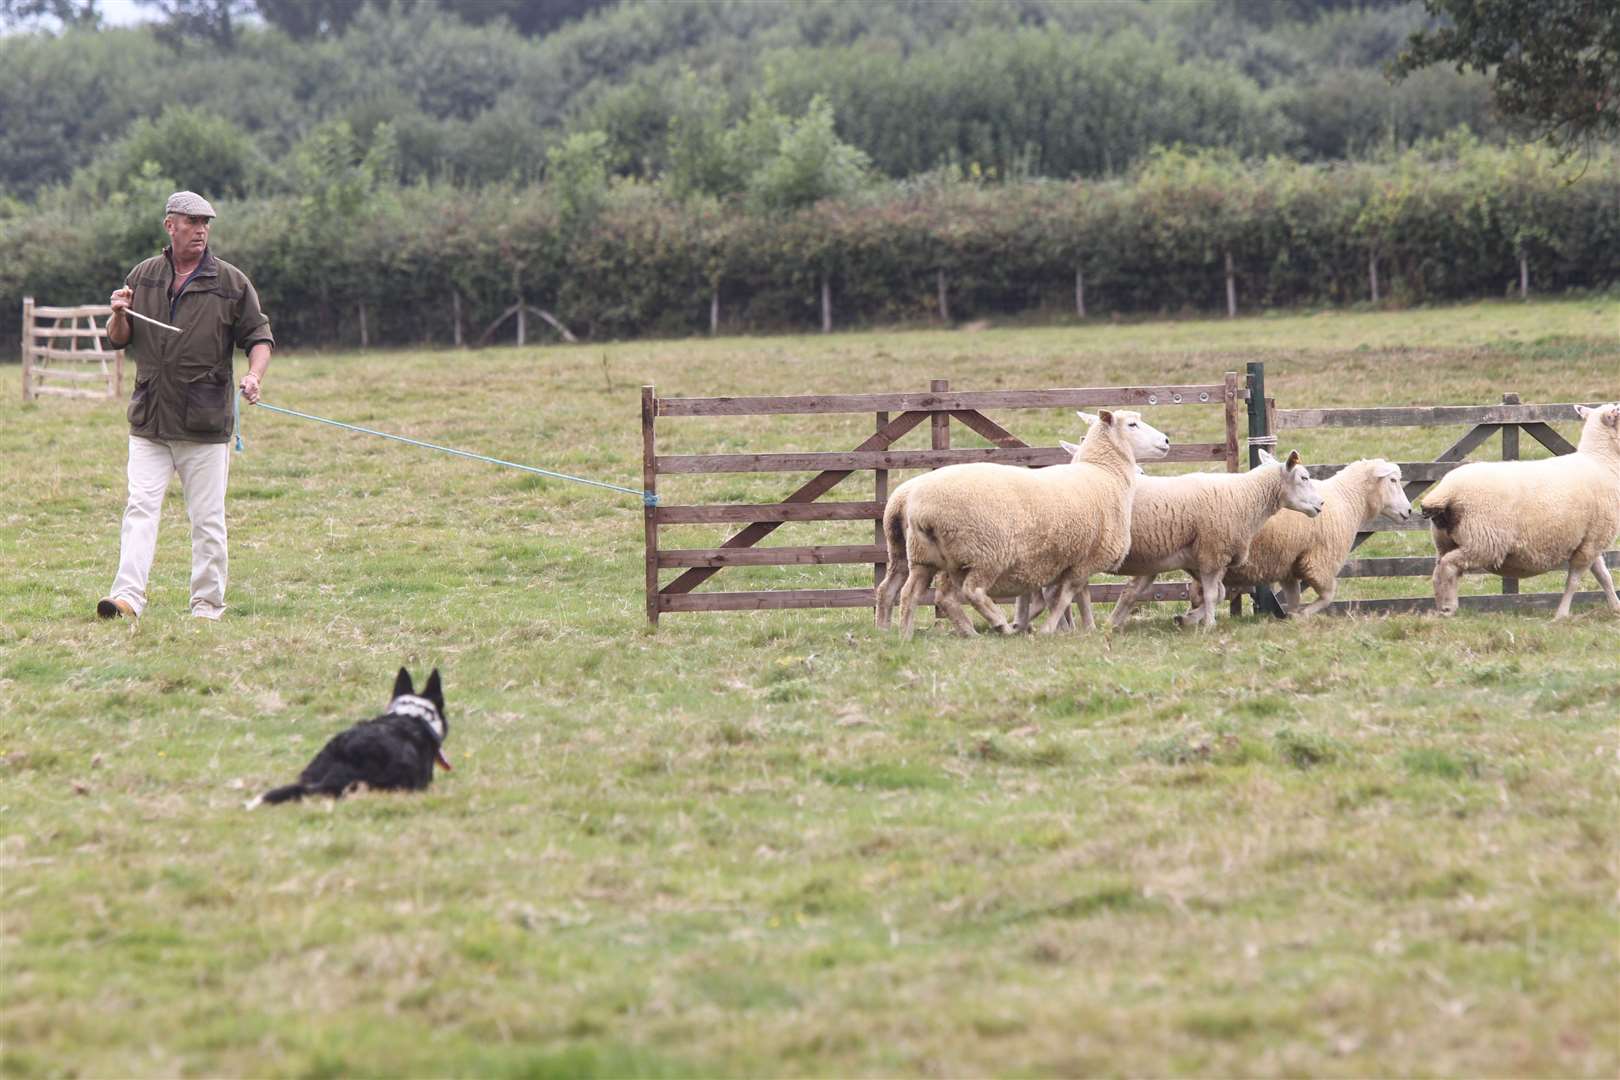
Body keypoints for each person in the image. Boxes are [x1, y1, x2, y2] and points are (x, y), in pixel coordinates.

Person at [98, 190, 274, 621]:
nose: (200, 230)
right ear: (169, 226)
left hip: (205, 420)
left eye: (205, 223)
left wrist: (253, 376)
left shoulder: (231, 282)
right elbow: (118, 337)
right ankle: (127, 598)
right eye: (191, 222)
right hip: (150, 420)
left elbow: (260, 339)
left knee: (208, 520)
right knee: (139, 508)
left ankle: (207, 604)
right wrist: (119, 312)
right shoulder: (144, 276)